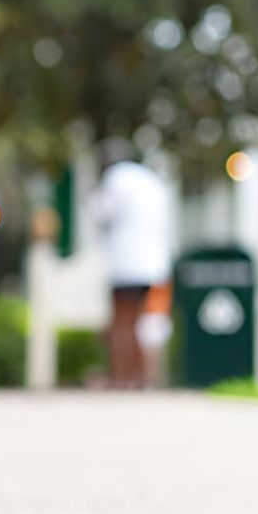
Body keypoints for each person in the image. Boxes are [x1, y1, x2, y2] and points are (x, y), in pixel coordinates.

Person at [93, 142, 175, 388]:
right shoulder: (152, 180)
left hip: (126, 262)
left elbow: (102, 215)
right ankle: (144, 378)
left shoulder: (115, 178)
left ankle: (122, 378)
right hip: (156, 263)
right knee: (147, 323)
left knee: (122, 321)